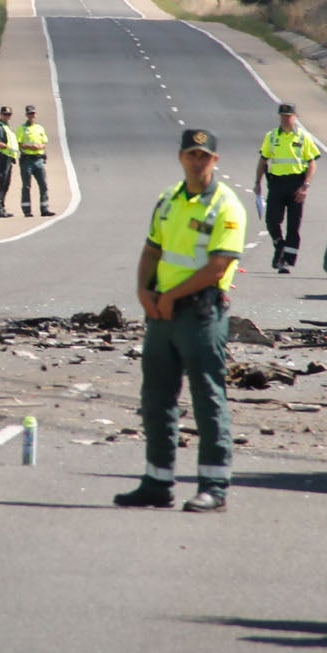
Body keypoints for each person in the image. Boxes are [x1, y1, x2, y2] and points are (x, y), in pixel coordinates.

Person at [116, 127, 247, 514]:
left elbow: (218, 265)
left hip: (200, 313)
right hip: (162, 314)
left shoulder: (226, 206)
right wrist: (143, 292)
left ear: (215, 161)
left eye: (204, 156)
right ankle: (157, 481)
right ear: (180, 157)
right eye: (191, 154)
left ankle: (214, 486)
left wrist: (170, 296)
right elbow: (151, 250)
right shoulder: (168, 200)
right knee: (156, 398)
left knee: (207, 398)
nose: (197, 161)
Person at [254, 102, 322, 272]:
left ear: (295, 117)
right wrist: (257, 182)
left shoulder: (303, 137)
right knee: (272, 220)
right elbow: (263, 160)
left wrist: (305, 186)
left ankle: (286, 261)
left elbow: (312, 163)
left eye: (289, 116)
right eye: (283, 116)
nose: (285, 120)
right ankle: (279, 244)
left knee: (293, 225)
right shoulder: (271, 136)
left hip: (296, 184)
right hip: (277, 183)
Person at [17, 105, 53, 216]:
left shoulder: (40, 128)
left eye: (33, 113)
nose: (31, 115)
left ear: (35, 114)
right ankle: (27, 211)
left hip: (39, 159)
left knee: (43, 185)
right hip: (27, 160)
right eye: (29, 114)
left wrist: (40, 147)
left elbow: (44, 142)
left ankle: (45, 209)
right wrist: (30, 147)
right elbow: (20, 144)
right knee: (26, 186)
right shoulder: (22, 128)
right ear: (26, 115)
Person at [0, 105, 19, 217]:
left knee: (6, 184)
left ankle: (1, 206)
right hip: (2, 157)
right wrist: (9, 148)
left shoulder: (7, 127)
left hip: (8, 158)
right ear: (1, 115)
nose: (7, 116)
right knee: (1, 183)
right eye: (5, 114)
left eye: (8, 114)